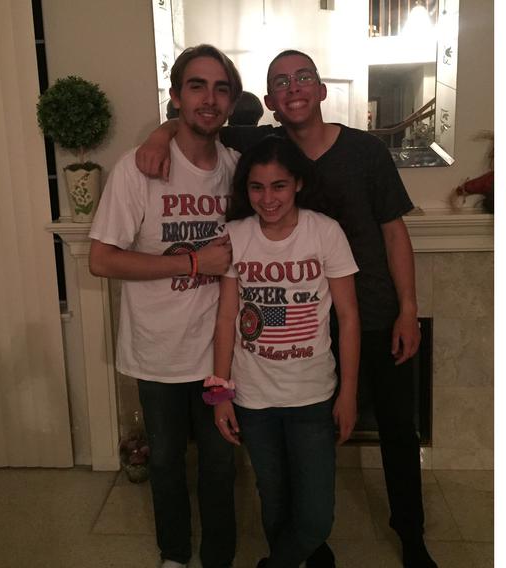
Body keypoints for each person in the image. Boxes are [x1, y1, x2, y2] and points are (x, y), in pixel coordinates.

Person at [136, 49, 436, 568]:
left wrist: (409, 308)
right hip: (297, 335)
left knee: (396, 432)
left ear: (320, 90)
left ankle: (412, 539)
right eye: (281, 82)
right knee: (298, 452)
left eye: (304, 78)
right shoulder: (256, 147)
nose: (294, 88)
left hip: (373, 315)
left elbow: (394, 230)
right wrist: (159, 134)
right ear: (271, 101)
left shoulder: (365, 150)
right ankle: (309, 548)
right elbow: (199, 121)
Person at [88, 44, 244, 568]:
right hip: (155, 352)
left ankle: (217, 557)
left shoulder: (238, 171)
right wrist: (193, 264)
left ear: (232, 101)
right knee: (168, 467)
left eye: (221, 88)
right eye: (196, 86)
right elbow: (102, 260)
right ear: (176, 97)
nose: (209, 98)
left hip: (218, 353)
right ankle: (174, 555)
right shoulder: (138, 170)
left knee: (221, 469)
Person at [208, 135, 360, 568]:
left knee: (315, 518)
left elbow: (348, 317)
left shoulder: (324, 232)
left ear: (297, 184)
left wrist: (348, 393)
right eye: (257, 187)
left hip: (312, 397)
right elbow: (225, 320)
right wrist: (219, 396)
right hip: (253, 399)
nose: (268, 198)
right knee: (273, 502)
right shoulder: (235, 236)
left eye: (278, 186)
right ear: (246, 190)